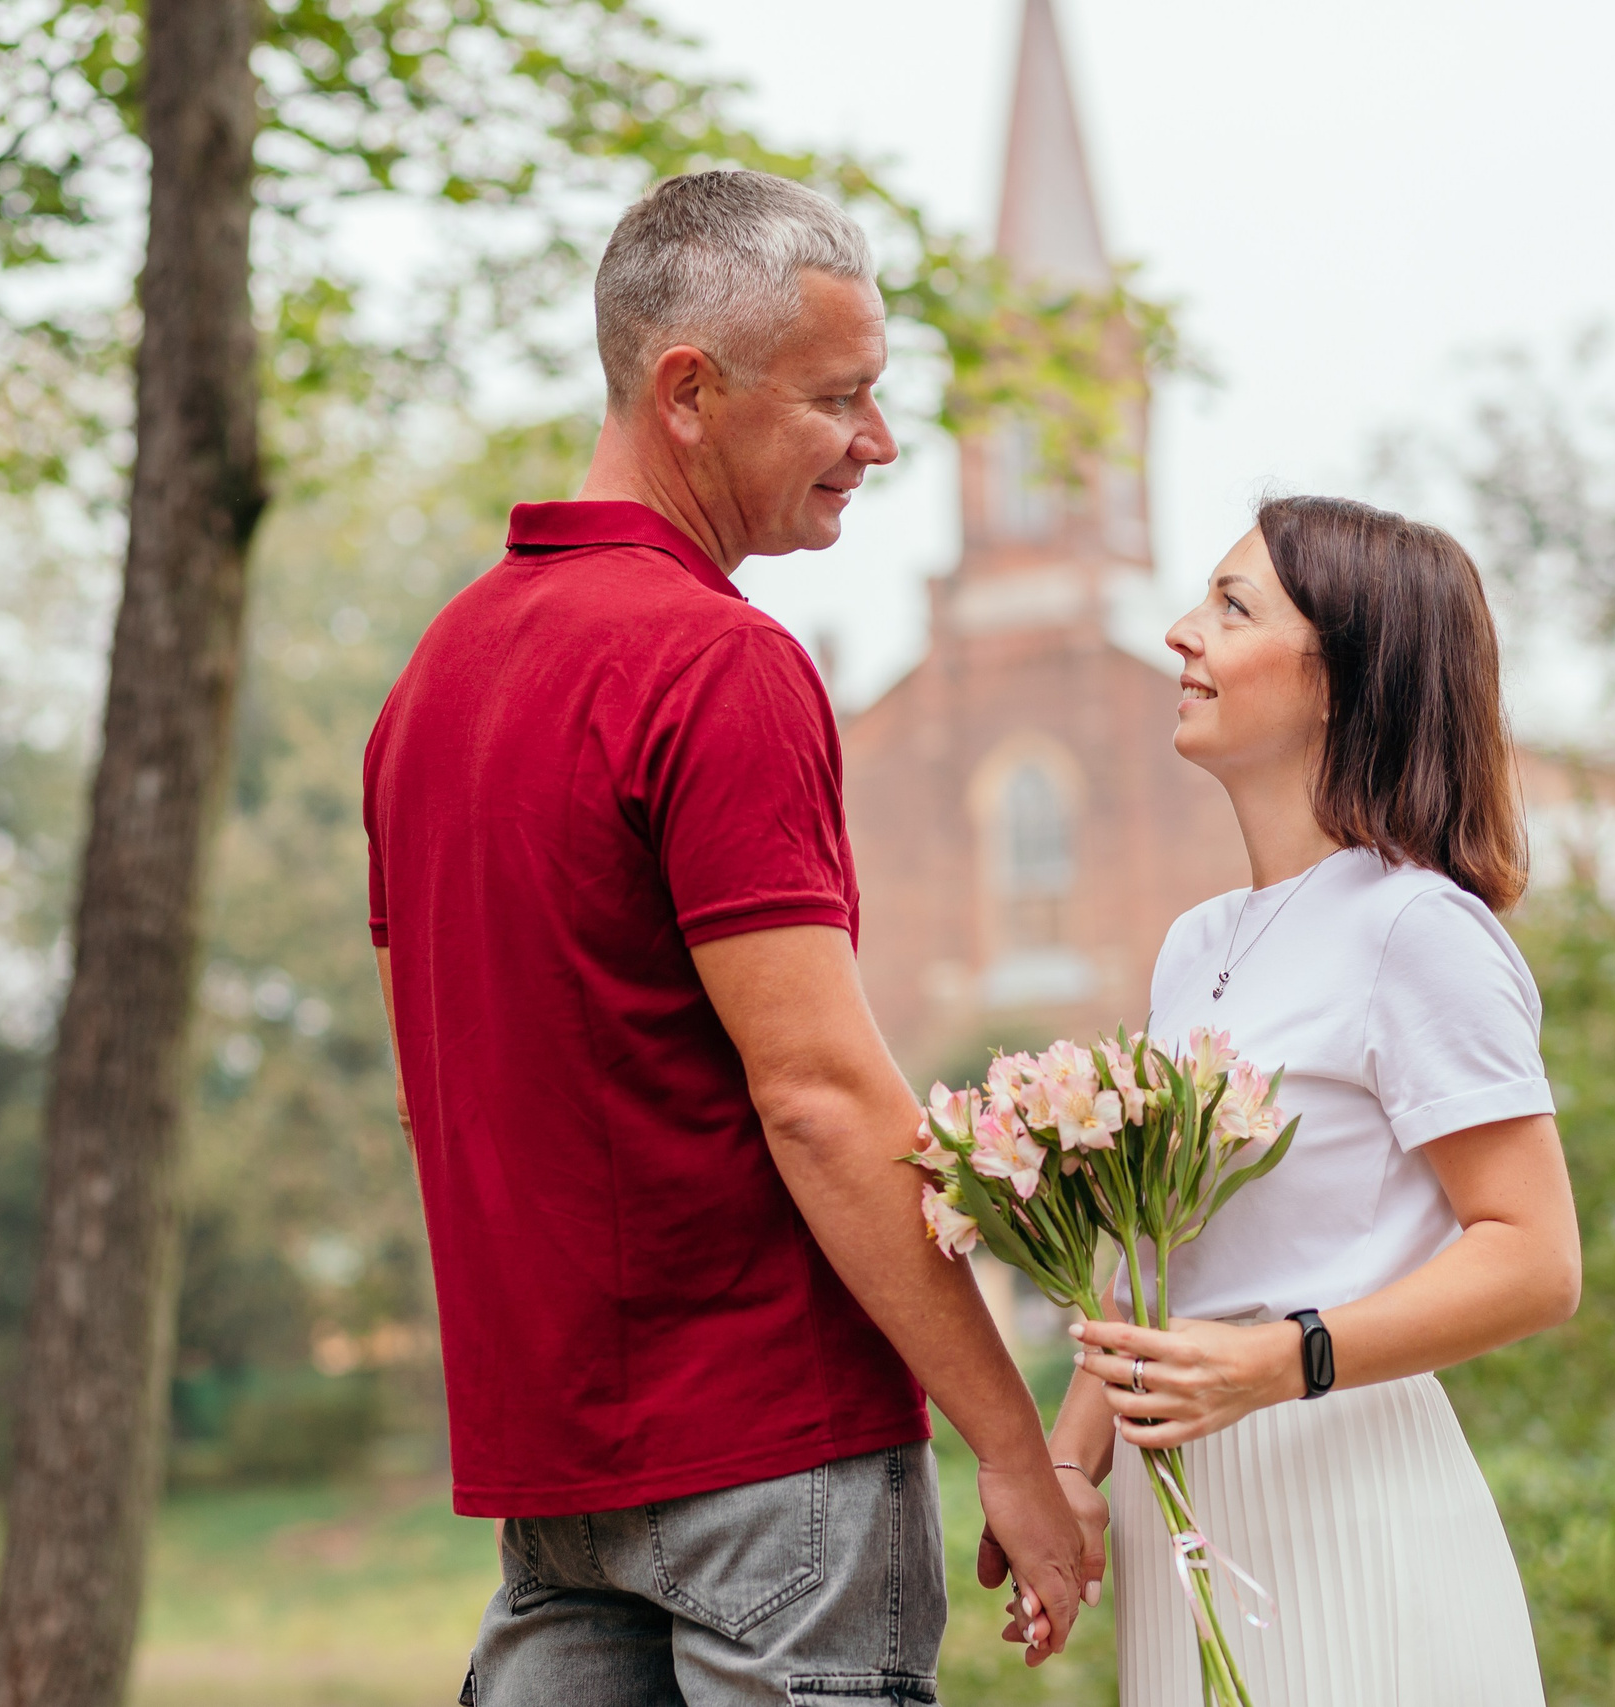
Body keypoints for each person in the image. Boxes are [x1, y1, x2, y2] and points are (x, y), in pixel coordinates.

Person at [363, 169, 1085, 1706]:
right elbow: (821, 1094)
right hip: (778, 1462)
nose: (880, 441)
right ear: (688, 391)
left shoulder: (434, 682)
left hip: (557, 1475)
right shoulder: (718, 666)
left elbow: (445, 1082)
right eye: (839, 397)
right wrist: (1013, 1444)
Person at [1047, 497, 1583, 1705]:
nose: (1181, 632)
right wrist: (1067, 1470)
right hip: (1183, 1511)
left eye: (1232, 607)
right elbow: (1163, 1259)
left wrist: (1279, 1362)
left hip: (1346, 1495)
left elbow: (1536, 1258)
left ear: (1343, 678)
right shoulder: (1195, 945)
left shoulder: (1416, 928)